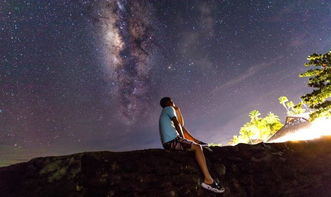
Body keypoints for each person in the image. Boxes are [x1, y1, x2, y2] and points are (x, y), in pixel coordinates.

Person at [159, 97, 224, 193]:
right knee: (197, 148)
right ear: (169, 102)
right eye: (172, 101)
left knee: (186, 134)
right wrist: (183, 139)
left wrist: (178, 110)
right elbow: (177, 124)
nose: (173, 102)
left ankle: (196, 141)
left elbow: (181, 124)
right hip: (172, 141)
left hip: (169, 142)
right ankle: (208, 180)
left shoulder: (165, 111)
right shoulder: (168, 108)